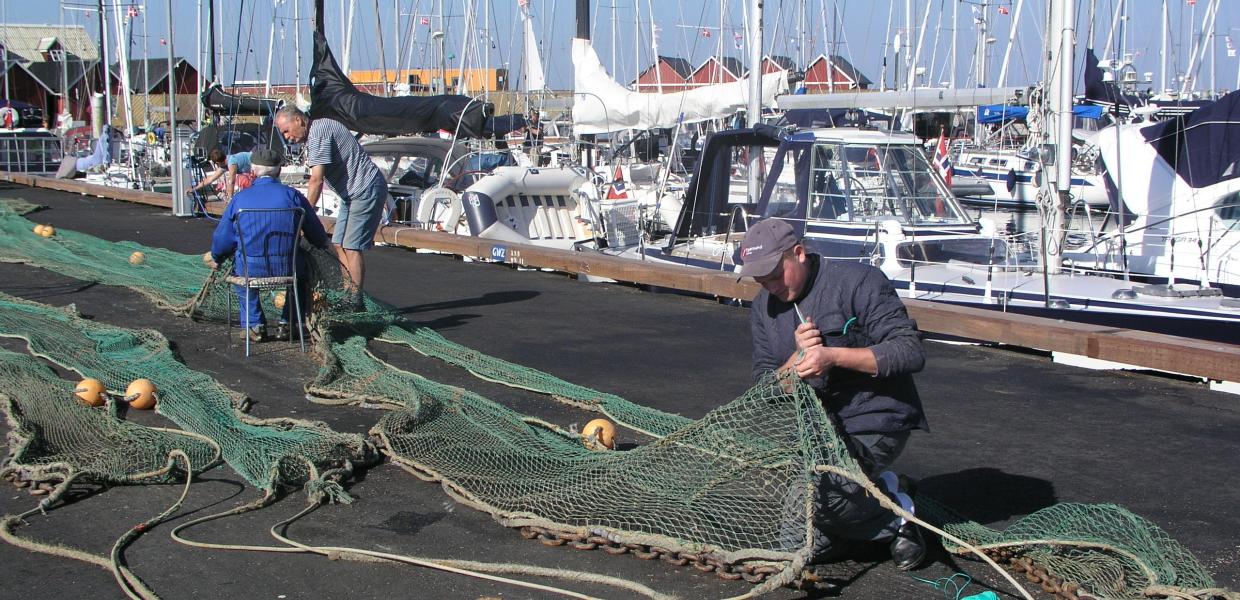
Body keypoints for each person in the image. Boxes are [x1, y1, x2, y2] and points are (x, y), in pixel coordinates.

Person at [739, 217, 928, 571]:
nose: (769, 286)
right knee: (797, 544)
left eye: (775, 274)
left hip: (874, 418)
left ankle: (901, 515)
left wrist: (832, 356)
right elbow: (764, 386)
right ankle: (877, 499)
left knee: (826, 499)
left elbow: (909, 351)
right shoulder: (763, 307)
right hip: (814, 430)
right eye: (759, 278)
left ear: (799, 254)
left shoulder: (858, 282)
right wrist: (793, 366)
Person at [208, 149, 329, 342]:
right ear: (279, 171)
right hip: (288, 266)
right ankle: (288, 323)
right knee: (300, 279)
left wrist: (217, 257)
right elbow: (316, 234)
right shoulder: (294, 196)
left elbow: (223, 239)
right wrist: (321, 242)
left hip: (251, 267)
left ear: (253, 172)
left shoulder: (240, 199)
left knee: (242, 277)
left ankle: (255, 325)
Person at [274, 105, 387, 296]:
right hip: (350, 195)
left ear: (298, 120)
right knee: (338, 243)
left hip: (365, 189)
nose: (286, 137)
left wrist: (304, 216)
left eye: (286, 131)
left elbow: (316, 180)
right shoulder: (320, 128)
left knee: (351, 246)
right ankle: (347, 290)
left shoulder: (318, 134)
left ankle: (354, 300)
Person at [187, 148, 256, 200]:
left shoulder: (231, 162)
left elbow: (232, 181)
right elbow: (209, 180)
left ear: (217, 163)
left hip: (257, 161)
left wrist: (230, 199)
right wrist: (194, 189)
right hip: (253, 165)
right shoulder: (224, 165)